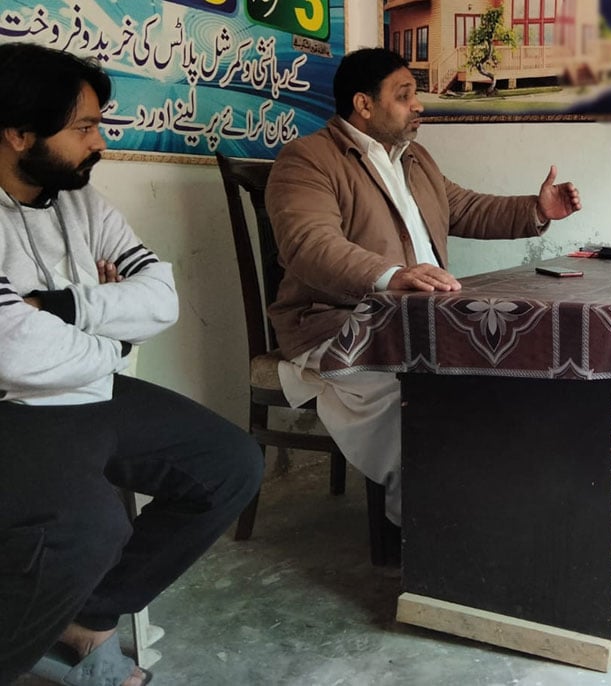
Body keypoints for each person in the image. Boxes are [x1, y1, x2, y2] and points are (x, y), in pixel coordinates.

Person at [0, 43, 263, 686]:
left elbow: (160, 297)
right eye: (85, 128)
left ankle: (87, 614)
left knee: (231, 465)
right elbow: (11, 349)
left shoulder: (80, 201)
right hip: (17, 411)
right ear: (18, 133)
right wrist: (111, 332)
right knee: (90, 531)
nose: (101, 144)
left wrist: (60, 306)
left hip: (91, 389)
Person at [265, 49, 581, 533]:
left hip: (420, 323)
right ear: (363, 105)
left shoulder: (414, 159)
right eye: (405, 94)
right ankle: (419, 530)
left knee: (501, 376)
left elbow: (466, 208)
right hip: (342, 325)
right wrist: (391, 276)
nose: (419, 105)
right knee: (429, 396)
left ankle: (490, 518)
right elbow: (309, 244)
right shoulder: (307, 159)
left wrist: (535, 211)